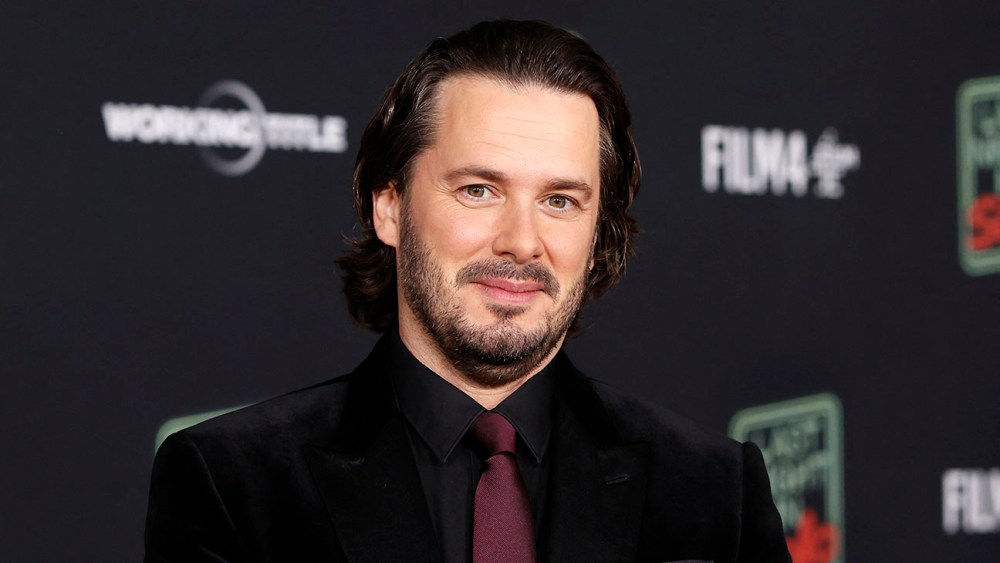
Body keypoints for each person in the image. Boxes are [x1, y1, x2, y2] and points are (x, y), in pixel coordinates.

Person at [144, 19, 791, 563]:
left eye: (560, 200)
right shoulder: (234, 485)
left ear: (597, 234)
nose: (520, 241)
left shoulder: (713, 491)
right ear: (389, 206)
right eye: (479, 190)